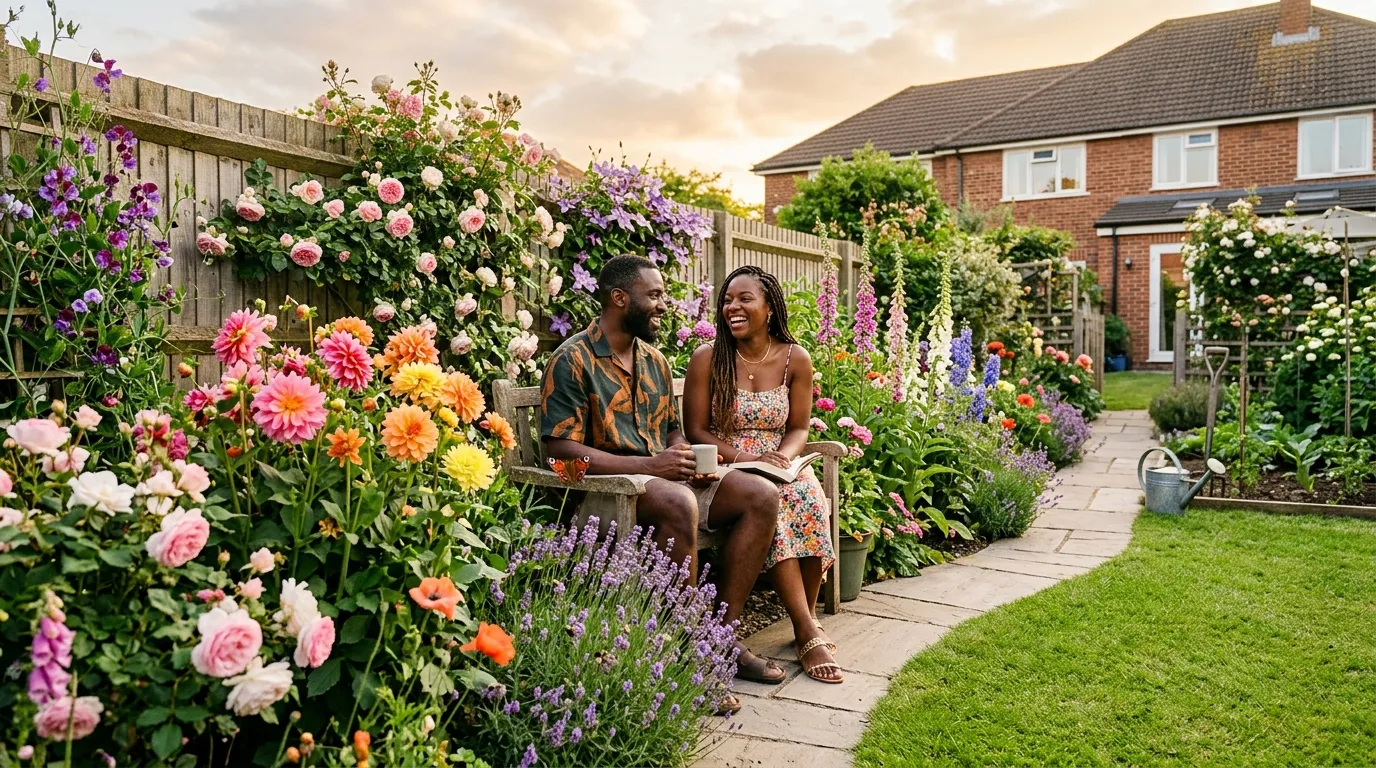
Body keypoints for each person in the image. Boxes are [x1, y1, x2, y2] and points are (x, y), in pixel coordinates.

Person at [539, 254, 789, 699]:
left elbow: (669, 429)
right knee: (680, 503)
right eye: (654, 295)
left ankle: (719, 639)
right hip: (604, 496)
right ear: (620, 298)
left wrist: (687, 456)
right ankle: (686, 654)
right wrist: (652, 467)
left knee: (760, 495)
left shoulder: (653, 360)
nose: (663, 304)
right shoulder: (572, 359)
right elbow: (559, 456)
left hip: (665, 482)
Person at [683, 266, 841, 684]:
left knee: (804, 494)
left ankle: (803, 623)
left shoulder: (795, 358)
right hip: (723, 465)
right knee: (778, 497)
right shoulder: (707, 358)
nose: (732, 307)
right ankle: (807, 629)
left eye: (744, 299)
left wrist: (784, 459)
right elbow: (695, 431)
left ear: (769, 307)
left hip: (778, 460)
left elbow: (799, 429)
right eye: (727, 300)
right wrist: (743, 457)